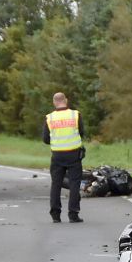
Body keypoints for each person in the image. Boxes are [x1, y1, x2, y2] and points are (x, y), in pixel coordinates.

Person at [43, 92, 84, 223]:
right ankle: (73, 214)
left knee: (56, 184)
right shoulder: (75, 115)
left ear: (54, 102)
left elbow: (45, 139)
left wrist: (57, 141)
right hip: (74, 154)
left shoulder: (49, 118)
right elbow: (81, 133)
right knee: (74, 184)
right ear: (66, 100)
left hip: (57, 155)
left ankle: (55, 214)